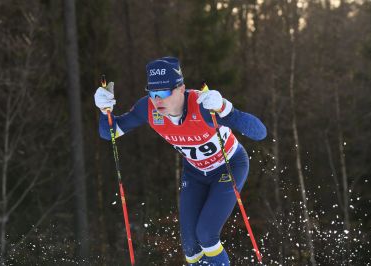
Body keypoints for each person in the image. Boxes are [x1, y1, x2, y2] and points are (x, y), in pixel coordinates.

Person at [94, 56, 266, 265]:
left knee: (206, 234)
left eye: (164, 93)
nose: (158, 101)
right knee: (191, 249)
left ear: (181, 89)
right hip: (194, 174)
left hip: (228, 166)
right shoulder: (147, 109)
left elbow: (259, 132)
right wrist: (105, 111)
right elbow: (109, 133)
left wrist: (224, 108)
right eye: (153, 93)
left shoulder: (202, 105)